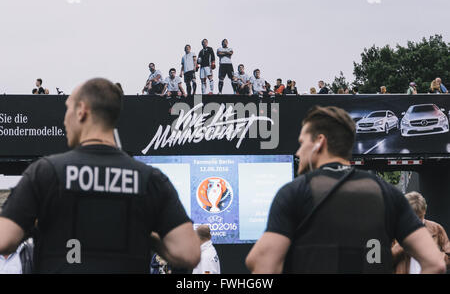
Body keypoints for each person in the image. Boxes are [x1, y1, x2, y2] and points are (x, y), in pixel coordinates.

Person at [0, 78, 201, 273]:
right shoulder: (150, 179)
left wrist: (35, 226)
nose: (64, 119)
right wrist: (143, 233)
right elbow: (188, 252)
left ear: (82, 111)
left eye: (68, 109)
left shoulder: (45, 172)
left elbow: (4, 239)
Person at [245, 105, 446, 274]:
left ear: (319, 142)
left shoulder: (295, 192)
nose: (298, 151)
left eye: (302, 142)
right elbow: (435, 262)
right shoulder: (388, 193)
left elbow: (263, 263)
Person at [392, 192, 450, 274]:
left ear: (424, 211)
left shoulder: (436, 228)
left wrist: (433, 256)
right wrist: (400, 246)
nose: (415, 222)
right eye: (411, 218)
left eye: (419, 217)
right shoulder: (393, 230)